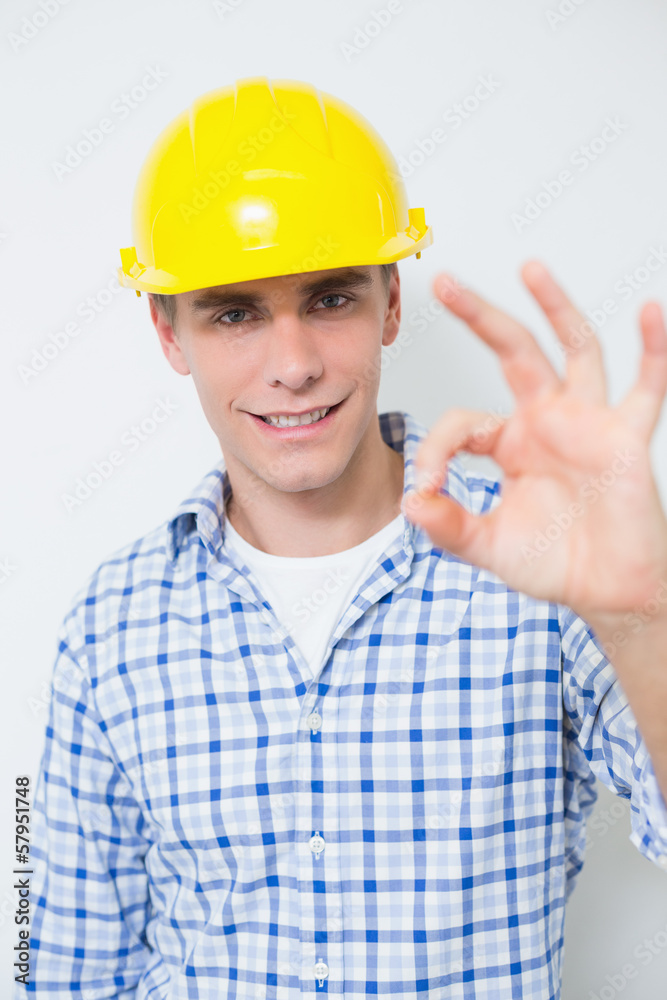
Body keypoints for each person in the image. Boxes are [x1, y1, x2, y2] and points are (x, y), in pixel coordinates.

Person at [17, 76, 667, 1000]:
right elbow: (63, 975)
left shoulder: (536, 559)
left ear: (390, 302)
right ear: (168, 331)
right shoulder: (110, 625)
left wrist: (643, 613)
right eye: (234, 311)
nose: (293, 366)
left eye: (328, 299)